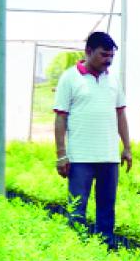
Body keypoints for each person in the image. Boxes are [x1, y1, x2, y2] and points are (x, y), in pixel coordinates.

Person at [53, 32, 132, 246]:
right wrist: (61, 155)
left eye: (111, 56)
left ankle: (105, 250)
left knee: (107, 209)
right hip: (80, 159)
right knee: (77, 209)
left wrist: (127, 148)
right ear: (88, 52)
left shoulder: (113, 79)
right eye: (103, 55)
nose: (108, 60)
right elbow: (60, 117)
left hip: (109, 157)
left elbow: (120, 114)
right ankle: (77, 253)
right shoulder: (69, 78)